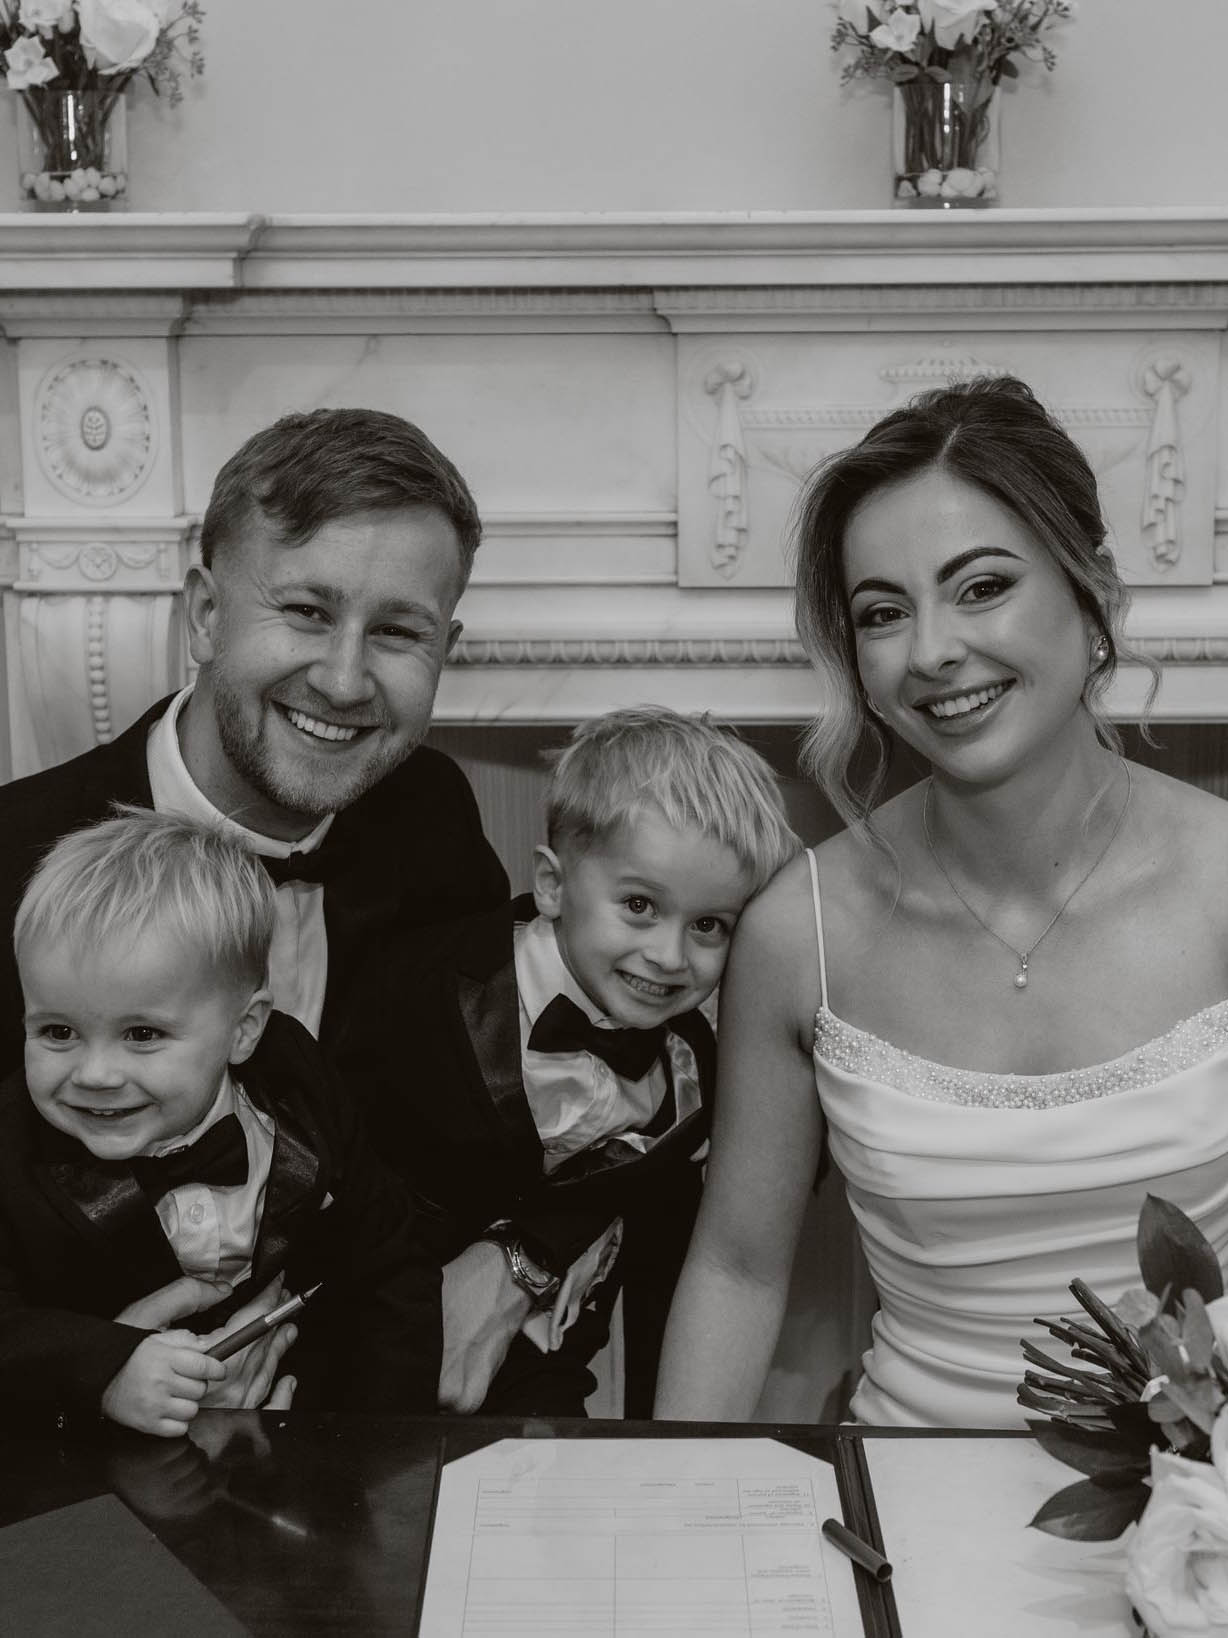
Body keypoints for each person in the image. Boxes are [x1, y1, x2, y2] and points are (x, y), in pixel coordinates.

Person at [654, 375, 1228, 1430]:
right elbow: (737, 1270)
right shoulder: (800, 932)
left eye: (980, 587)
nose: (930, 651)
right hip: (899, 1515)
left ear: (1090, 591)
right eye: (883, 612)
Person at [0, 406, 508, 1081]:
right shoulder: (13, 858)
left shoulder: (433, 812)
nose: (344, 682)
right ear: (207, 616)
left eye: (396, 632)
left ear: (445, 649)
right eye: (306, 613)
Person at [340, 706, 799, 1417]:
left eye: (709, 925)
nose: (671, 957)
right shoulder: (425, 989)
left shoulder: (696, 1068)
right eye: (640, 905)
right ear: (552, 885)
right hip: (368, 1353)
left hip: (548, 1369)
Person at [0, 808, 440, 1436]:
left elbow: (389, 1262)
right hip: (84, 1475)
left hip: (306, 1438)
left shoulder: (297, 1083)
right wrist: (104, 1372)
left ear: (244, 1030)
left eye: (142, 1033)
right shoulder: (11, 1147)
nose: (94, 1073)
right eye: (58, 1031)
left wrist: (381, 1449)